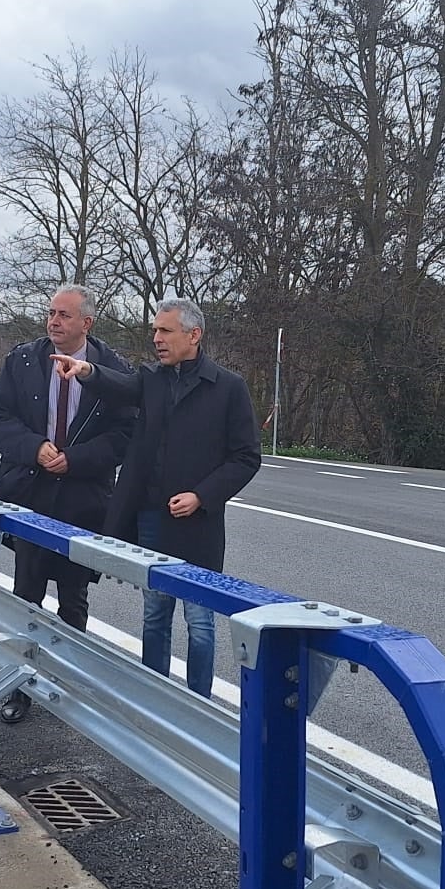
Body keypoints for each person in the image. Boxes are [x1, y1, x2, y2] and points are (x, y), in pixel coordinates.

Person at [52, 297, 260, 697]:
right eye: (154, 331)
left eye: (165, 331)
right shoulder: (152, 379)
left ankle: (200, 705)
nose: (157, 339)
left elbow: (246, 457)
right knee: (155, 613)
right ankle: (156, 697)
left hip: (198, 524)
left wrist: (202, 496)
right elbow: (121, 386)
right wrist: (87, 371)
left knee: (200, 623)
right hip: (151, 518)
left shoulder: (228, 388)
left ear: (193, 335)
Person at [0, 284, 136, 721]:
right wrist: (34, 448)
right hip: (30, 492)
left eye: (64, 315)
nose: (53, 321)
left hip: (84, 496)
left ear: (86, 323)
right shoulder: (23, 361)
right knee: (27, 592)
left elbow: (126, 433)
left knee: (74, 595)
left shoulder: (111, 369)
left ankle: (65, 685)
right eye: (51, 313)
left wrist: (77, 459)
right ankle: (19, 684)